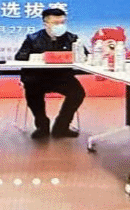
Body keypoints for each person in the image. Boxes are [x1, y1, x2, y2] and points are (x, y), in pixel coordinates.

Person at [14, 8, 87, 139]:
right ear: (45, 24)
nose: (60, 26)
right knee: (32, 93)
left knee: (78, 93)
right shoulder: (32, 38)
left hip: (62, 77)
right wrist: (40, 57)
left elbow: (85, 56)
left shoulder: (72, 38)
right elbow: (19, 57)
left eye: (62, 23)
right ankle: (42, 126)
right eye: (56, 23)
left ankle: (61, 126)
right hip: (37, 78)